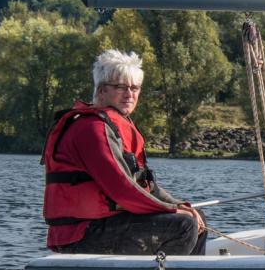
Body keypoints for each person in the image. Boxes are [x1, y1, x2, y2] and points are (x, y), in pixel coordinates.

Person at [42, 49, 206, 255]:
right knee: (184, 225)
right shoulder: (92, 129)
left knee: (196, 217)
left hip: (106, 224)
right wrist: (172, 211)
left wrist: (181, 206)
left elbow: (145, 185)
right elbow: (122, 188)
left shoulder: (113, 126)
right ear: (101, 90)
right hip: (81, 234)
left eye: (135, 88)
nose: (130, 94)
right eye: (121, 87)